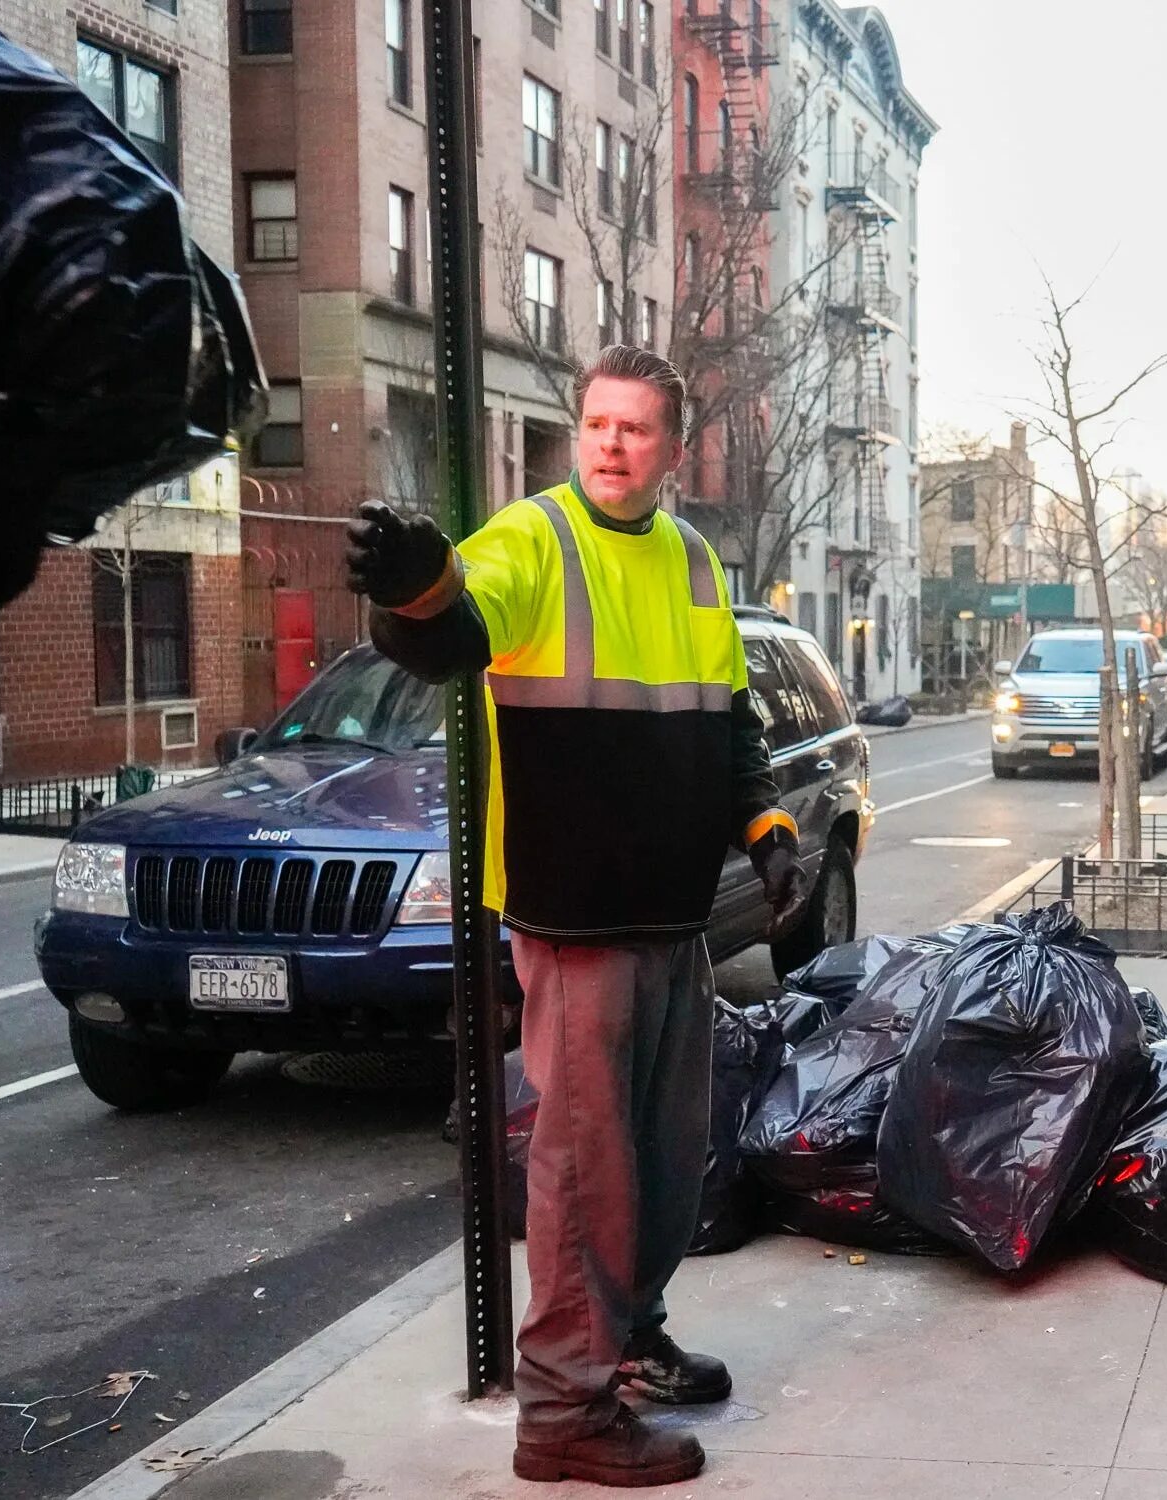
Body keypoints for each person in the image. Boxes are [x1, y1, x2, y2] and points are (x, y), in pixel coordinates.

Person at [344, 345, 809, 1487]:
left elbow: (726, 717)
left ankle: (629, 1341)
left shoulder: (695, 562)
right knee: (584, 1167)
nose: (609, 445)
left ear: (671, 446)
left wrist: (764, 824)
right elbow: (451, 630)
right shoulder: (533, 538)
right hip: (573, 914)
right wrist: (411, 587)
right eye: (596, 424)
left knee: (664, 1157)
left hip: (668, 917)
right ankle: (562, 1412)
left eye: (634, 429)